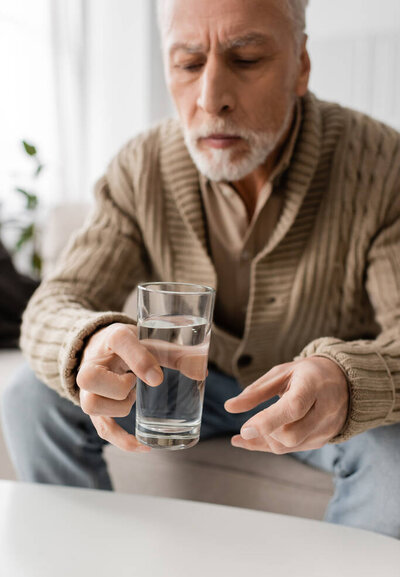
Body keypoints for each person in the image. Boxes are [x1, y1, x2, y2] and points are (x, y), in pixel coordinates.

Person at [2, 0, 400, 538]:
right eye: (189, 64)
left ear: (301, 65)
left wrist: (347, 382)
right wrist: (86, 345)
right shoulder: (141, 166)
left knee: (394, 459)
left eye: (248, 58)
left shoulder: (381, 164)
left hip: (318, 394)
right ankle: (85, 569)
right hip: (183, 383)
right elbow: (53, 303)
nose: (211, 99)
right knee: (31, 396)